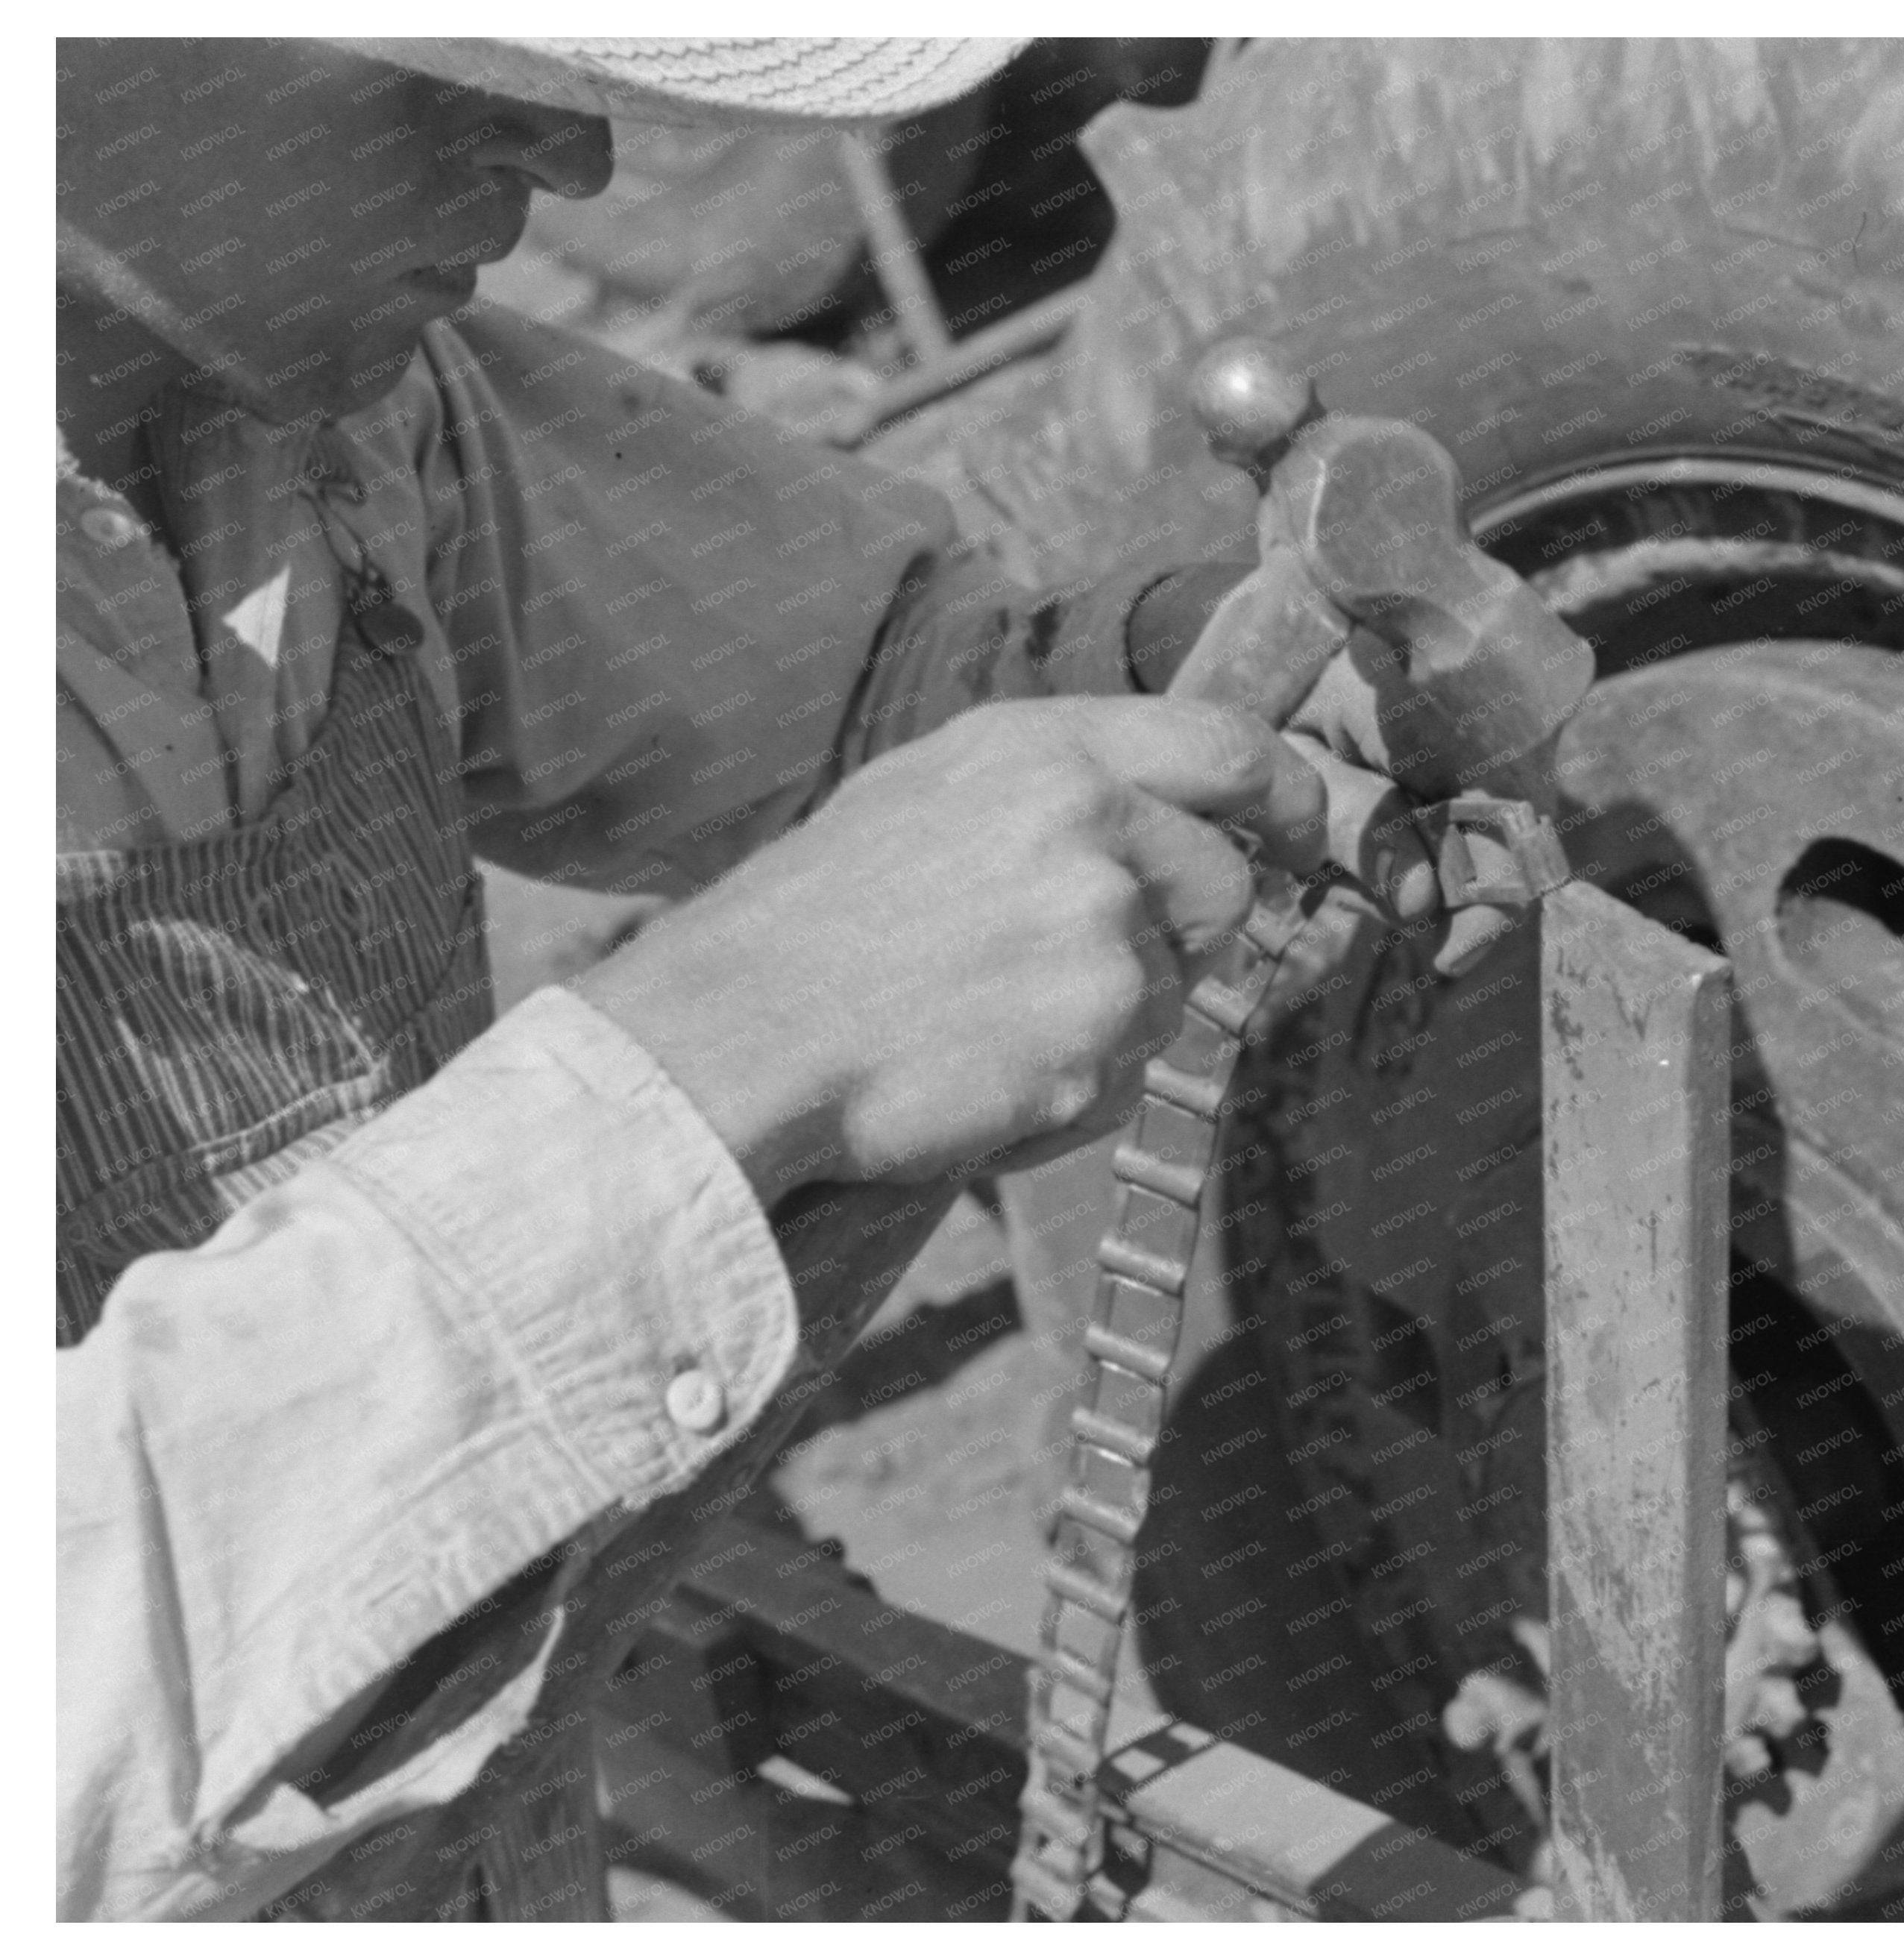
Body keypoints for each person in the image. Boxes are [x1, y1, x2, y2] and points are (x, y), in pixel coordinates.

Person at [55, 37, 1433, 1920]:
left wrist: (1168, 674)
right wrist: (726, 1056)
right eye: (443, 59)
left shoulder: (321, 423)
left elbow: (863, 682)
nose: (577, 154)